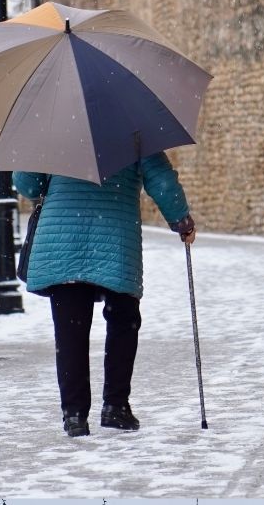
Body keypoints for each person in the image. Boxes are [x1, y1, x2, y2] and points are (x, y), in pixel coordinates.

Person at [14, 156, 194, 437]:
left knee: (70, 331)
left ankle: (74, 414)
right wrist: (181, 219)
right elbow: (160, 179)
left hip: (63, 241)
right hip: (116, 237)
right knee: (124, 321)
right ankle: (115, 406)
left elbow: (27, 185)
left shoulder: (56, 127)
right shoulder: (136, 124)